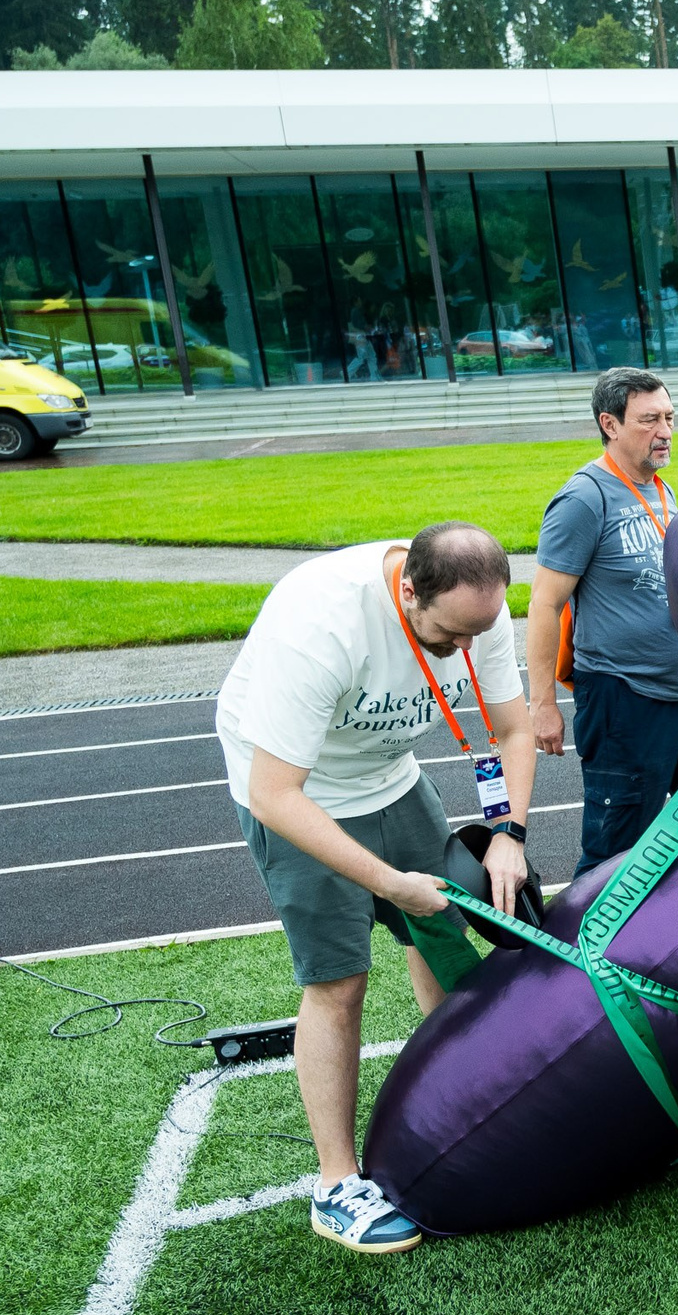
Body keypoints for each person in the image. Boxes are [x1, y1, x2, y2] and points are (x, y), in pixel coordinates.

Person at [217, 521, 535, 1254]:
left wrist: (510, 834)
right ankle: (335, 1185)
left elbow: (513, 732)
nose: (465, 650)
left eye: (477, 633)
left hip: (390, 777)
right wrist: (391, 882)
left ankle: (463, 1097)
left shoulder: (476, 608)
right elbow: (274, 793)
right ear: (407, 590)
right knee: (339, 982)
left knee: (441, 934)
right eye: (448, 637)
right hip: (302, 793)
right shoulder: (320, 625)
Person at [526, 368, 678, 875]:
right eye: (649, 420)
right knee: (619, 851)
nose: (666, 431)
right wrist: (542, 705)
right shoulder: (584, 499)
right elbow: (544, 604)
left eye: (669, 417)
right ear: (609, 423)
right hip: (623, 698)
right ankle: (593, 950)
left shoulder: (661, 490)